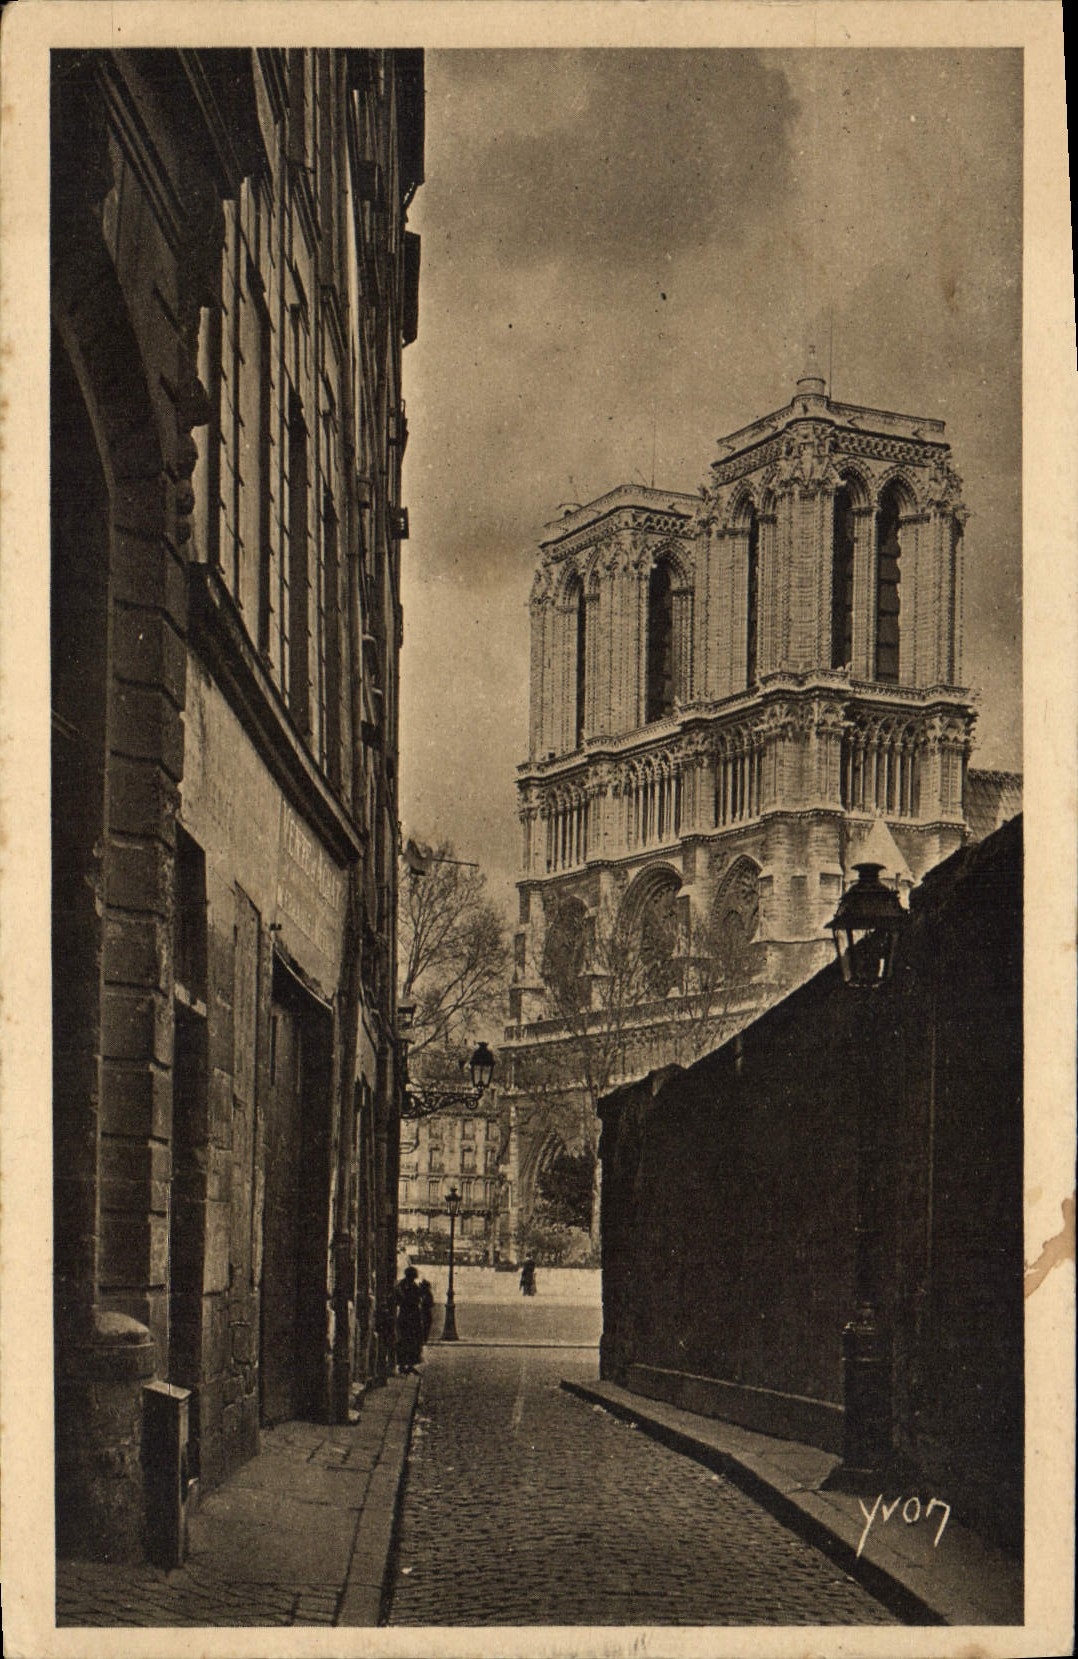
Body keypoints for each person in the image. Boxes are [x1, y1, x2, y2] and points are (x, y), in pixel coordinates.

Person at [394, 1265, 425, 1374]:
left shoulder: (402, 1285)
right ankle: (405, 1364)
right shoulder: (408, 1286)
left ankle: (407, 1364)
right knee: (407, 1340)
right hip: (410, 1315)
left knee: (409, 1340)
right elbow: (417, 1300)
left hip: (407, 1316)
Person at [419, 1276, 435, 1343]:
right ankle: (423, 1339)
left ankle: (423, 1339)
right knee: (425, 1325)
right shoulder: (426, 1293)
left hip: (424, 1311)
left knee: (425, 1325)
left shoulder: (426, 1293)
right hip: (424, 1311)